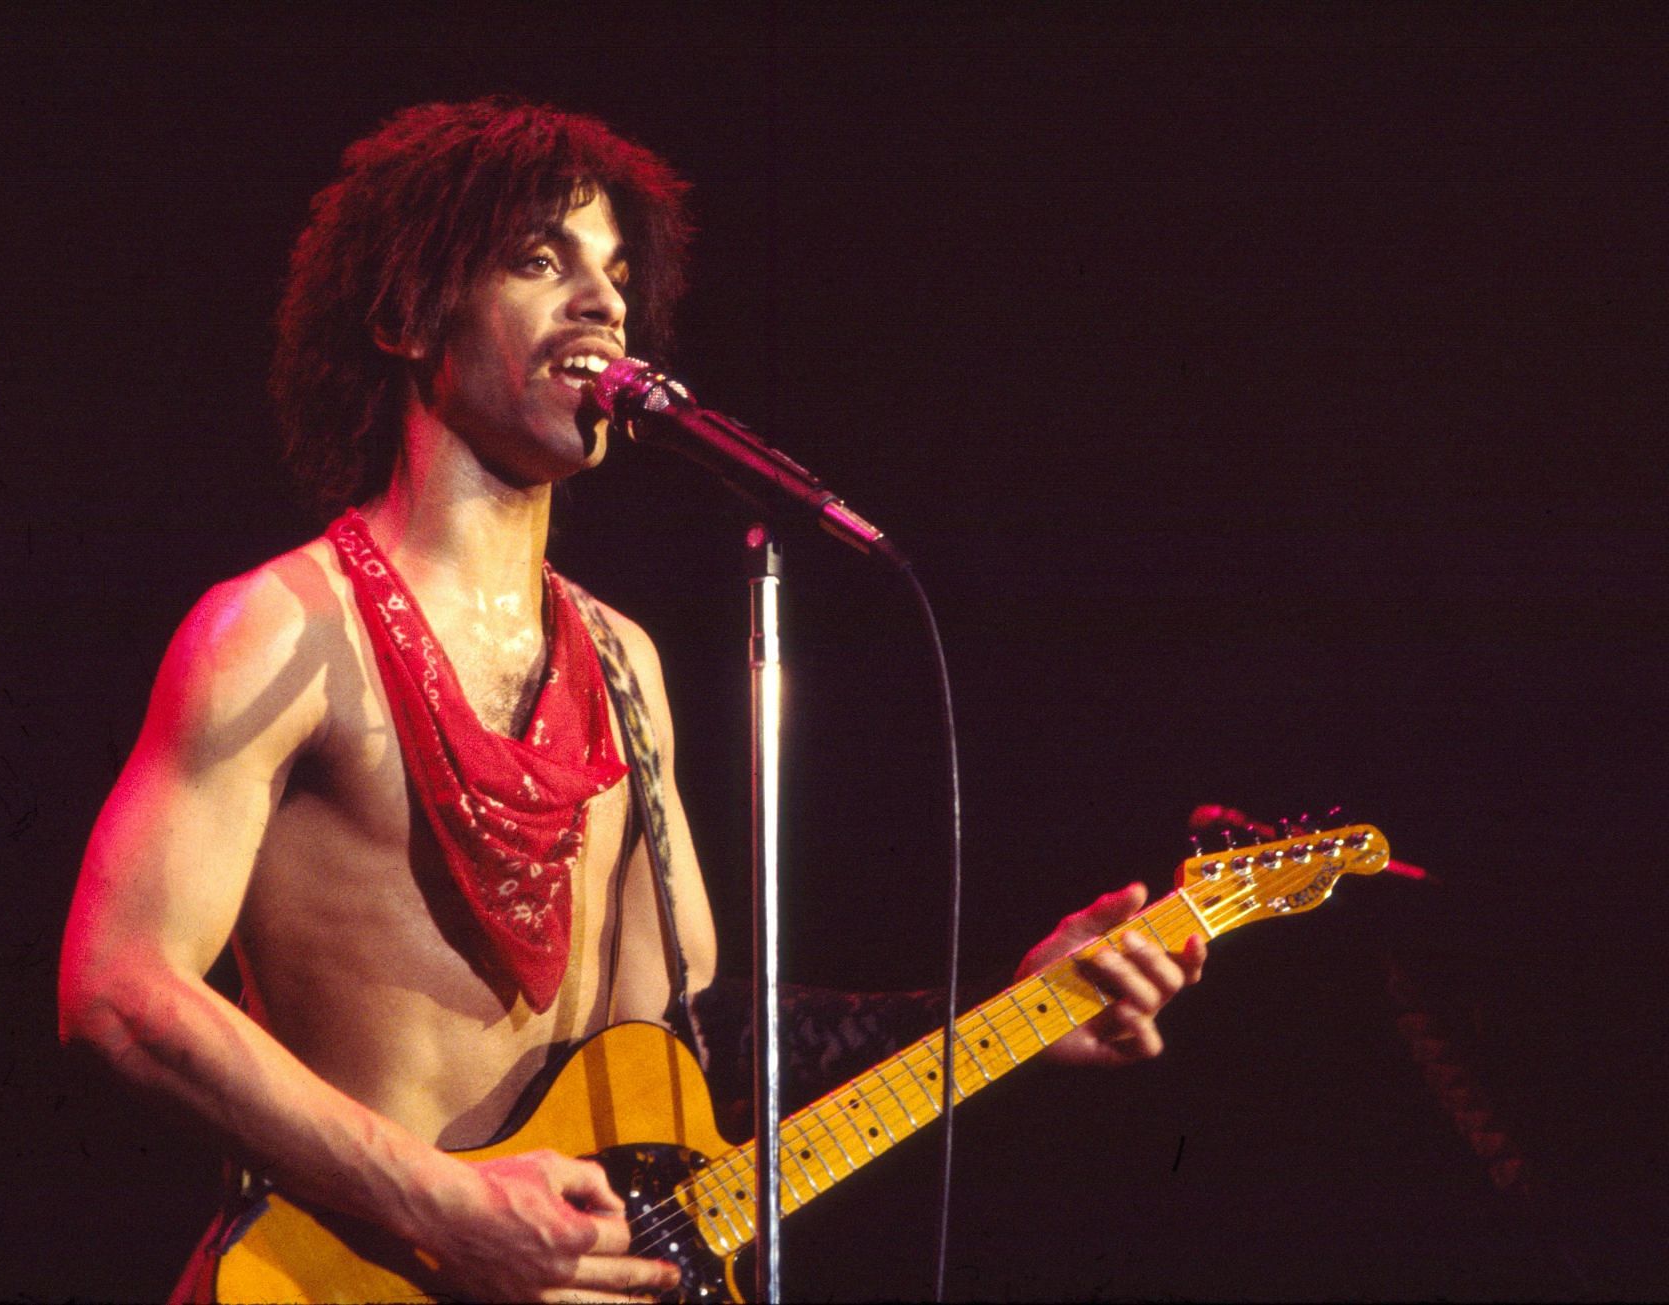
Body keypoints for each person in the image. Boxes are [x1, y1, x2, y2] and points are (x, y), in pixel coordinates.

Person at [58, 98, 1206, 1304]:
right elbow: (118, 989)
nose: (604, 300)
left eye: (613, 270)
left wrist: (1005, 1016)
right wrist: (445, 1207)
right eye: (539, 259)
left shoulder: (623, 662)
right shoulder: (277, 630)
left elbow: (697, 1040)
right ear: (405, 316)